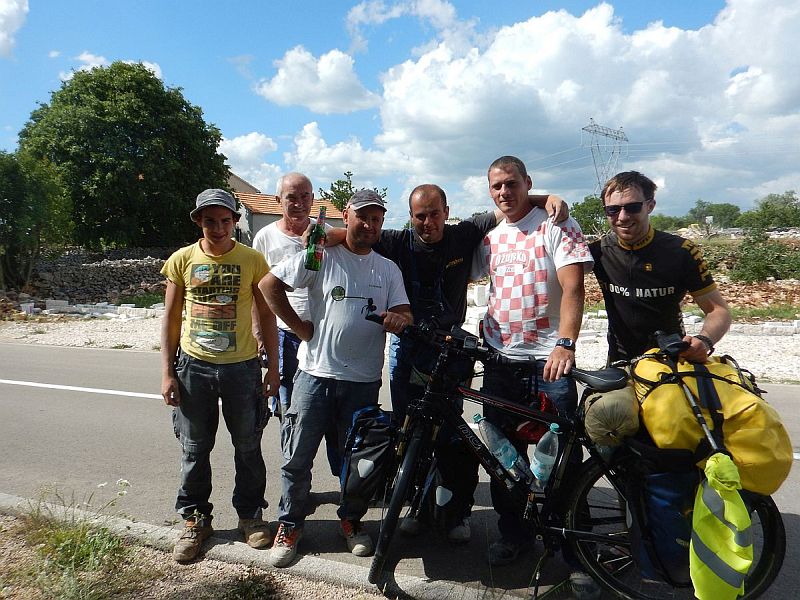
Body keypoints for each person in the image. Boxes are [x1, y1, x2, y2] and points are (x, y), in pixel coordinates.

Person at [324, 184, 567, 543]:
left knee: (452, 434)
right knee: (408, 432)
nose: (428, 223)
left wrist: (545, 199)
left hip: (451, 348)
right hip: (409, 346)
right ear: (410, 217)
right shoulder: (396, 241)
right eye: (420, 216)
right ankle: (416, 506)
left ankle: (456, 511)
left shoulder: (464, 233)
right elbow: (358, 234)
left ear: (446, 212)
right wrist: (330, 234)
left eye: (434, 214)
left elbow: (507, 203)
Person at [259, 189, 412, 568]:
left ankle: (351, 520)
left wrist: (400, 320)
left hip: (363, 382)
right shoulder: (320, 255)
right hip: (315, 376)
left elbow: (405, 313)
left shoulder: (387, 269)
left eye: (376, 218)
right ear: (347, 216)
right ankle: (290, 524)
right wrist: (299, 328)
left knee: (355, 461)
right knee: (297, 457)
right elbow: (268, 286)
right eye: (363, 217)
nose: (369, 224)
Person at [473, 156, 594, 574]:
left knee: (562, 461)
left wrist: (566, 343)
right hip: (500, 361)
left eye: (512, 183)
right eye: (497, 186)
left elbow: (574, 287)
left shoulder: (557, 224)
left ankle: (575, 550)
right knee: (504, 458)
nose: (504, 192)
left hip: (548, 362)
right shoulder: (490, 238)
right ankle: (515, 535)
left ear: (528, 182)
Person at [160, 188, 280, 562]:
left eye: (225, 221)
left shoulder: (252, 260)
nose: (218, 228)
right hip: (193, 367)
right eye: (210, 221)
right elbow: (170, 318)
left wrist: (274, 369)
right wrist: (167, 373)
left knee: (248, 446)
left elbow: (267, 316)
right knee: (195, 448)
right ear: (198, 221)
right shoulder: (181, 260)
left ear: (235, 222)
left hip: (242, 368)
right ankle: (195, 520)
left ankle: (251, 517)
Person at [590, 170, 732, 363]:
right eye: (612, 210)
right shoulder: (598, 252)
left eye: (632, 207)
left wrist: (705, 340)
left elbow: (718, 310)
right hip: (620, 362)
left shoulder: (681, 251)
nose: (622, 217)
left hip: (672, 358)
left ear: (650, 206)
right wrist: (550, 200)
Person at [251, 172, 340, 476]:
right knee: (290, 410)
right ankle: (295, 481)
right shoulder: (265, 238)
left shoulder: (326, 234)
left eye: (305, 197)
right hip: (284, 336)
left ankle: (345, 482)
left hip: (321, 337)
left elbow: (352, 238)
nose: (299, 203)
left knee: (331, 412)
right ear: (278, 200)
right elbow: (257, 291)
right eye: (292, 197)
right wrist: (260, 336)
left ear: (313, 200)